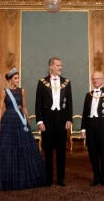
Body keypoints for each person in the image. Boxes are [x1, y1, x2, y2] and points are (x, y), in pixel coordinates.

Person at [0, 68, 46, 190]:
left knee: (24, 147)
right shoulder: (5, 92)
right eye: (15, 78)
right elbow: (0, 108)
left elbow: (24, 107)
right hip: (8, 120)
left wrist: (28, 120)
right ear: (10, 80)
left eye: (18, 78)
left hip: (21, 121)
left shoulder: (22, 91)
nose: (17, 80)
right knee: (6, 148)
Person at [35, 57, 73, 186]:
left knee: (62, 150)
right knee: (48, 150)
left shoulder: (67, 82)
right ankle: (49, 178)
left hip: (62, 119)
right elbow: (38, 104)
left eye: (61, 65)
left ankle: (61, 179)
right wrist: (40, 121)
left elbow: (70, 103)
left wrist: (69, 119)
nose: (60, 67)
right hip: (47, 119)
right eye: (57, 65)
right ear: (51, 67)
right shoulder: (42, 82)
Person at [81, 71, 104, 186]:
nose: (95, 81)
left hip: (103, 127)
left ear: (102, 79)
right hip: (90, 127)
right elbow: (85, 113)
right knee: (92, 153)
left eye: (97, 79)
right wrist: (83, 129)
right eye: (93, 79)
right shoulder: (88, 95)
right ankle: (96, 177)